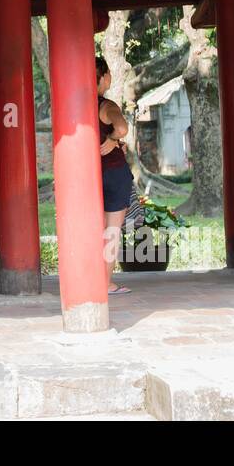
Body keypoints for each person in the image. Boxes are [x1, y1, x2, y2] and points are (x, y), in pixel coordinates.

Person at [97, 57, 135, 296]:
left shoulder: (77, 103)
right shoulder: (106, 105)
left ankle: (92, 279)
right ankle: (106, 284)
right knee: (111, 232)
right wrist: (113, 140)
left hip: (91, 173)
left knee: (96, 230)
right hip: (114, 174)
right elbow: (121, 128)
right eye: (108, 73)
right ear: (101, 77)